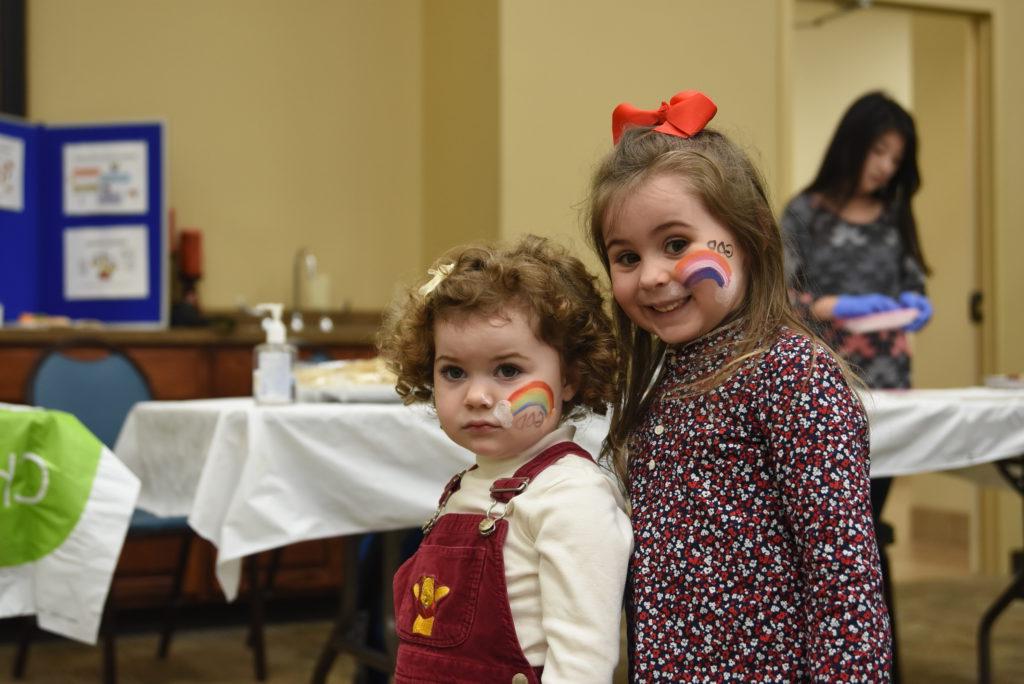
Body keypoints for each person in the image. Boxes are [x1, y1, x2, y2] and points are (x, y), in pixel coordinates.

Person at [585, 90, 892, 679]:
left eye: (676, 244)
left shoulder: (792, 374)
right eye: (625, 257)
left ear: (748, 239)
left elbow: (844, 582)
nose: (651, 276)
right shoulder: (668, 375)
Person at [377, 235, 632, 683]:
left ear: (569, 377)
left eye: (508, 371)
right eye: (453, 372)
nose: (477, 396)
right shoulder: (466, 486)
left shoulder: (571, 495)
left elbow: (583, 664)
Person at [780, 91, 931, 678]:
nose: (885, 168)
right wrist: (837, 305)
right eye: (878, 152)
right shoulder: (804, 215)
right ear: (852, 146)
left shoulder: (895, 216)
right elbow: (783, 300)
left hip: (892, 383)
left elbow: (913, 281)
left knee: (869, 520)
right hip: (831, 386)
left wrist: (914, 306)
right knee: (839, 524)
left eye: (896, 158)